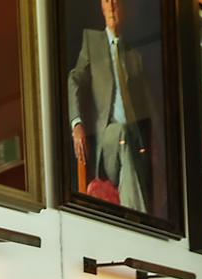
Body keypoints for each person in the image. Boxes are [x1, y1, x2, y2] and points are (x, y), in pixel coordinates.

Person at [67, 0, 156, 213]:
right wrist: (76, 122)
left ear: (124, 10)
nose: (112, 6)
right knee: (122, 132)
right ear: (101, 7)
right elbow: (74, 79)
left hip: (133, 145)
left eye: (116, 2)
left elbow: (150, 109)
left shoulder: (135, 57)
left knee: (131, 141)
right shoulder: (92, 40)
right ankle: (138, 217)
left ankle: (130, 215)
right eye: (107, 1)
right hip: (106, 143)